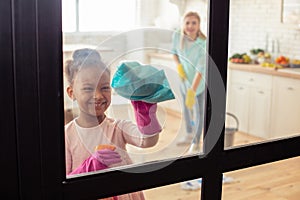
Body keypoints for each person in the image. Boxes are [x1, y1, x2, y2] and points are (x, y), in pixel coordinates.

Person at [64, 48, 162, 200]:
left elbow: (147, 140)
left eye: (104, 87)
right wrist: (91, 166)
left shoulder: (118, 127)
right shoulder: (66, 136)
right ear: (72, 93)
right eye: (88, 88)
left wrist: (145, 114)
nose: (98, 95)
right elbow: (63, 185)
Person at [171, 11, 207, 152]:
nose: (190, 26)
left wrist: (193, 90)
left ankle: (196, 141)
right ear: (183, 24)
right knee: (186, 110)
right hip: (184, 81)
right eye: (187, 22)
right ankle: (188, 134)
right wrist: (179, 66)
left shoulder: (203, 43)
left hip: (199, 83)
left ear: (199, 25)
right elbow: (173, 51)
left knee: (198, 112)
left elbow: (201, 70)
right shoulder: (177, 36)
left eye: (194, 23)